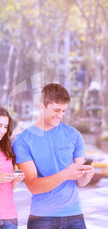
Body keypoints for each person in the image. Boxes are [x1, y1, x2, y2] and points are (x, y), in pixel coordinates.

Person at [13, 83, 95, 228]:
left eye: (64, 111)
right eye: (56, 110)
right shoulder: (23, 141)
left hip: (74, 216)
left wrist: (86, 175)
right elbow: (33, 186)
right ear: (42, 106)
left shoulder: (74, 135)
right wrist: (65, 174)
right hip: (42, 219)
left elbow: (80, 182)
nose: (60, 115)